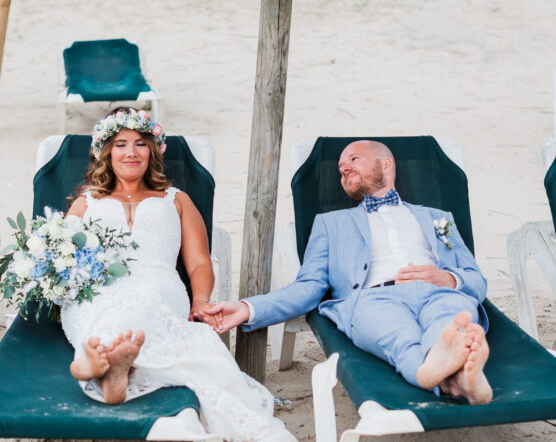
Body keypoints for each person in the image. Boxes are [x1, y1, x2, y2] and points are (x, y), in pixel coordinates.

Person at [60, 108, 334, 442]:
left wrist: (201, 300)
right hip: (99, 288)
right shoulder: (85, 203)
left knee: (146, 300)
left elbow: (199, 262)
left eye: (140, 143)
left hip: (159, 287)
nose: (131, 152)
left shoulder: (177, 200)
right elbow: (62, 260)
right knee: (102, 305)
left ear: (153, 151)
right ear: (105, 152)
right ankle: (102, 364)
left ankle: (99, 365)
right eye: (121, 144)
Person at [203, 140, 493, 404]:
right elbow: (309, 286)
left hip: (441, 292)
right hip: (374, 298)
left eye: (354, 159)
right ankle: (449, 375)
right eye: (341, 169)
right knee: (399, 337)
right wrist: (248, 308)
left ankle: (451, 377)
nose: (344, 170)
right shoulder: (330, 224)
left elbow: (476, 279)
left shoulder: (438, 217)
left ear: (386, 165)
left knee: (449, 321)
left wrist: (449, 279)